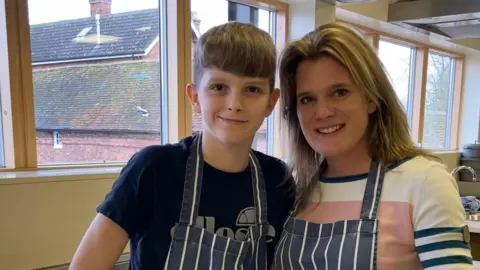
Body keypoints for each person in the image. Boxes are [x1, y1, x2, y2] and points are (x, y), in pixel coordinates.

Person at [69, 22, 295, 270]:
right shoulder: (154, 169)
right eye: (219, 87)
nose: (235, 104)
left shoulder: (278, 181)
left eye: (252, 89)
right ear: (195, 97)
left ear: (271, 102)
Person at [273, 23, 473, 269]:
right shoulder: (295, 188)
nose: (322, 112)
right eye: (307, 99)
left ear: (371, 98)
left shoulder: (423, 181)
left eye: (340, 92)